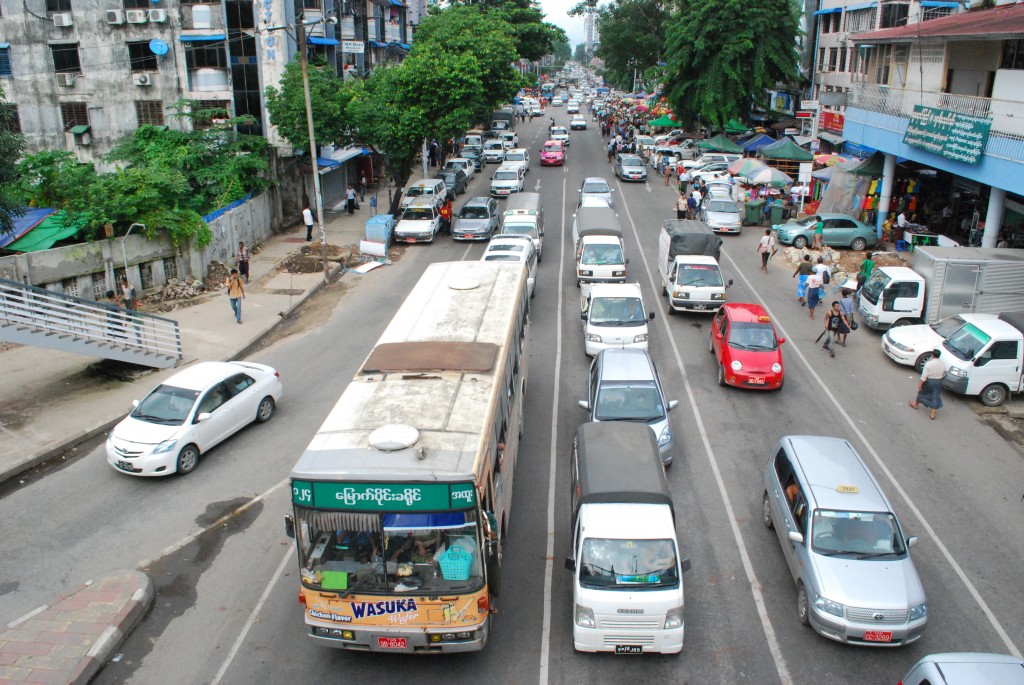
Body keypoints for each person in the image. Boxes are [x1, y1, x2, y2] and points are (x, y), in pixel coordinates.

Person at [909, 349, 945, 420]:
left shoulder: (929, 364)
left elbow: (924, 376)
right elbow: (944, 372)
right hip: (938, 382)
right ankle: (932, 414)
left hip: (929, 381)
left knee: (922, 393)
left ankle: (915, 404)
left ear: (932, 355)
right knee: (935, 396)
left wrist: (920, 384)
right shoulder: (942, 363)